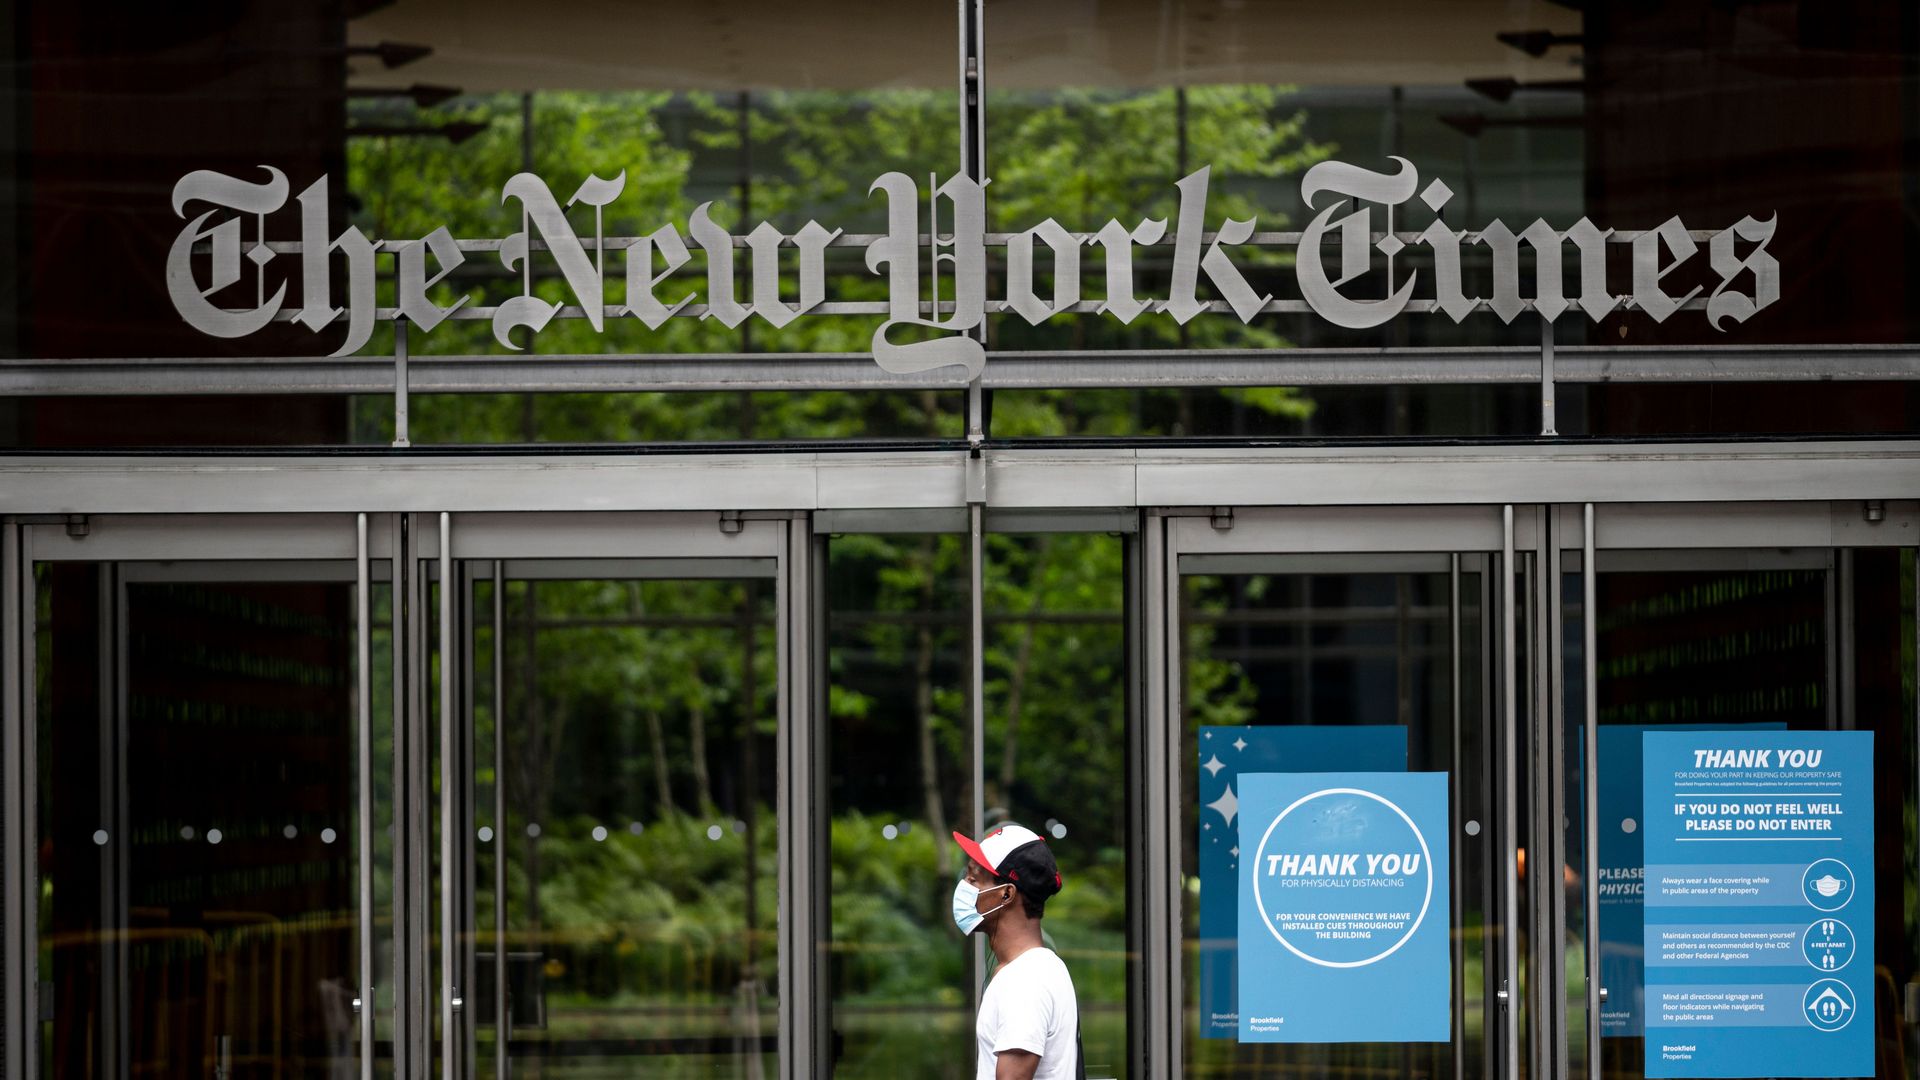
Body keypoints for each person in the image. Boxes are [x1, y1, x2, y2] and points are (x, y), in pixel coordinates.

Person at [951, 823, 1080, 1080]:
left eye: (974, 878)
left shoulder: (1024, 981)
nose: (964, 885)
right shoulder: (1043, 967)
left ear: (1006, 894)